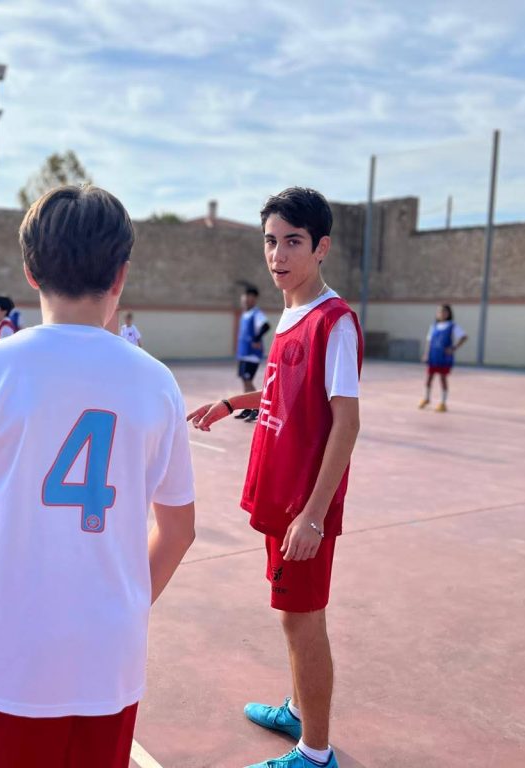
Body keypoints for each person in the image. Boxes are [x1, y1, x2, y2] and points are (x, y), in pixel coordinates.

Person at [0, 185, 196, 768]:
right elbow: (178, 531)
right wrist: (118, 607)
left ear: (30, 271)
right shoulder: (156, 383)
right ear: (121, 275)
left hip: (4, 658)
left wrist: (12, 597)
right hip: (108, 658)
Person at [188, 188, 361, 768]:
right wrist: (231, 402)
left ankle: (315, 752)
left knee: (302, 620)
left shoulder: (334, 323)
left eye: (292, 242)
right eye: (270, 241)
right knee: (292, 618)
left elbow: (346, 423)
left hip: (302, 507)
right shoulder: (290, 315)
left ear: (321, 248)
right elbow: (282, 391)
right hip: (279, 497)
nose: (278, 254)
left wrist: (313, 514)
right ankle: (296, 710)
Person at [419, 304, 468, 412]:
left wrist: (453, 348)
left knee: (443, 378)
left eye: (444, 311)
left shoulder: (452, 326)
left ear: (449, 313)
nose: (442, 313)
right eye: (440, 312)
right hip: (433, 355)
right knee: (429, 377)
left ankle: (443, 402)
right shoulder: (433, 326)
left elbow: (464, 337)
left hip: (444, 357)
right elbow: (429, 341)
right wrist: (426, 354)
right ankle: (426, 398)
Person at [235, 287, 270, 422]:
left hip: (252, 354)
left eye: (249, 296)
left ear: (254, 298)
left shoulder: (256, 313)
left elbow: (266, 326)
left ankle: (257, 408)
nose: (246, 299)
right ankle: (248, 408)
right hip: (243, 353)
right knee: (244, 381)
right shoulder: (245, 314)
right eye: (244, 296)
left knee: (248, 381)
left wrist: (256, 339)